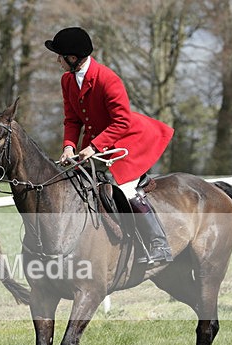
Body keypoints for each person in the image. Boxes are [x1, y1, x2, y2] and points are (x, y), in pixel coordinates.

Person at [45, 26, 175, 264]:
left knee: (124, 188)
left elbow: (122, 121)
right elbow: (72, 119)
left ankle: (159, 244)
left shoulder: (107, 78)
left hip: (128, 139)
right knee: (75, 183)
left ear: (72, 58)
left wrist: (93, 148)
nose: (57, 60)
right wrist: (68, 146)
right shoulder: (67, 80)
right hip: (97, 143)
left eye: (59, 56)